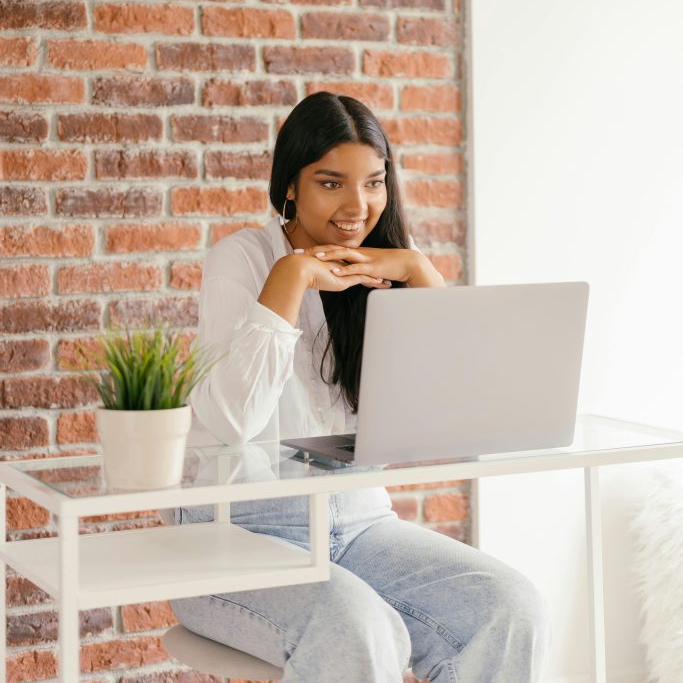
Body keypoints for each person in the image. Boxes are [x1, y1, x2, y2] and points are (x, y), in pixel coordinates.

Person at [171, 91, 550, 683]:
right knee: (353, 624)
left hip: (359, 524)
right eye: (331, 183)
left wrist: (419, 271)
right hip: (235, 535)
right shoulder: (242, 259)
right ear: (290, 185)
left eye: (374, 183)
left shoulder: (390, 265)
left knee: (508, 607)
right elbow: (231, 420)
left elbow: (468, 401)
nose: (358, 206)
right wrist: (292, 275)